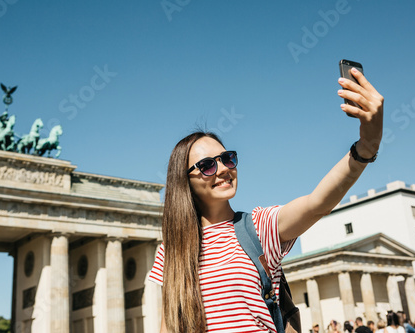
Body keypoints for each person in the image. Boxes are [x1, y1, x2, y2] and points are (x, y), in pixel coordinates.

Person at [149, 69, 384, 332]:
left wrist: (366, 147)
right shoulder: (171, 251)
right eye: (207, 166)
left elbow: (317, 203)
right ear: (184, 182)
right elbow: (168, 326)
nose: (224, 169)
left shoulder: (259, 227)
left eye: (227, 159)